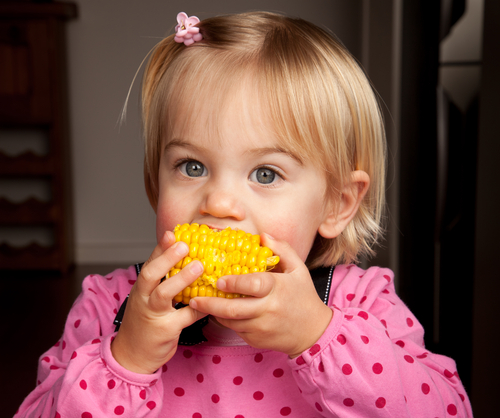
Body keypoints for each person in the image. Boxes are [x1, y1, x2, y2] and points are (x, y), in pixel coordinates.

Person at [16, 11, 473, 417]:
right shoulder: (108, 307)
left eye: (266, 174)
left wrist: (318, 335)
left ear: (337, 204)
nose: (218, 203)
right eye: (191, 167)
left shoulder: (363, 305)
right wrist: (127, 359)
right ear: (155, 182)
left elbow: (446, 408)